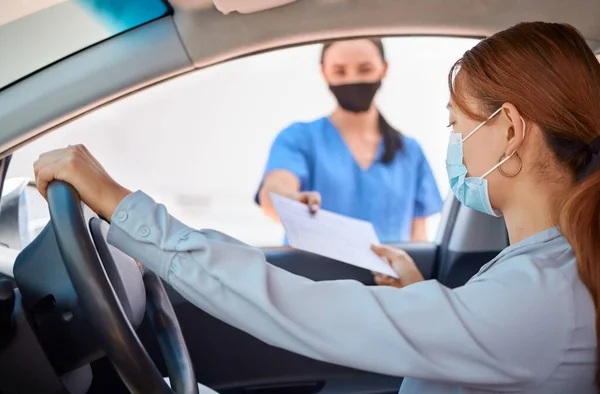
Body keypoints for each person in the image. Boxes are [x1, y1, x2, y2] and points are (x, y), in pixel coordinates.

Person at [33, 21, 600, 393]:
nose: (452, 143)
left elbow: (298, 307)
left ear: (507, 130)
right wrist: (418, 301)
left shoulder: (542, 295)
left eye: (457, 124)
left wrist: (119, 203)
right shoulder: (543, 271)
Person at [255, 38, 443, 244]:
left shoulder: (409, 151)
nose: (352, 79)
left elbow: (418, 240)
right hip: (309, 276)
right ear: (324, 73)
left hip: (386, 275)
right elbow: (276, 189)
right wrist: (290, 203)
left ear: (384, 68)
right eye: (339, 71)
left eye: (365, 69)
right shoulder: (298, 139)